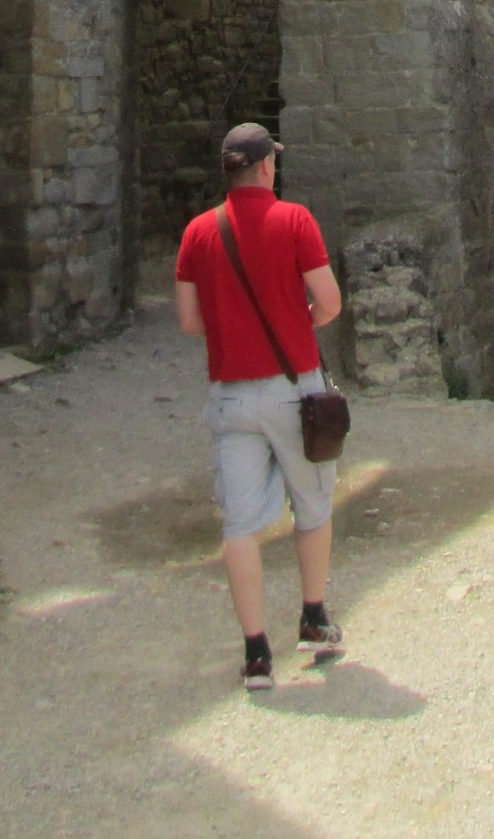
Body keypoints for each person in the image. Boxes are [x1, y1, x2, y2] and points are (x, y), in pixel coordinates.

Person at [175, 121, 346, 691]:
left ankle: (255, 654)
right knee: (313, 504)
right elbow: (328, 303)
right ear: (268, 167)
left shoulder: (199, 232)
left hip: (231, 396)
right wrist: (297, 322)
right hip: (293, 388)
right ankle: (314, 618)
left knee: (241, 526)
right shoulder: (294, 220)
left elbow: (189, 321)